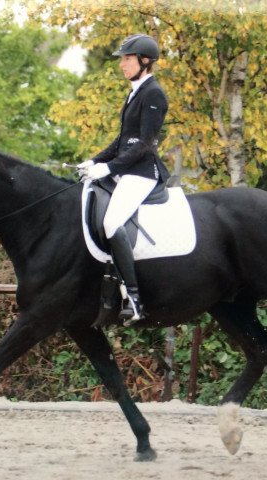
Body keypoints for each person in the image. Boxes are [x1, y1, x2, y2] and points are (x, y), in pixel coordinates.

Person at [79, 33, 170, 323]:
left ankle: (134, 298)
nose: (123, 65)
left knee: (111, 221)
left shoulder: (153, 93)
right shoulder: (135, 92)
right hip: (127, 169)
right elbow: (122, 140)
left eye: (128, 59)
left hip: (142, 172)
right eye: (123, 60)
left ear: (145, 61)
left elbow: (144, 144)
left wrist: (109, 168)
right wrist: (95, 160)